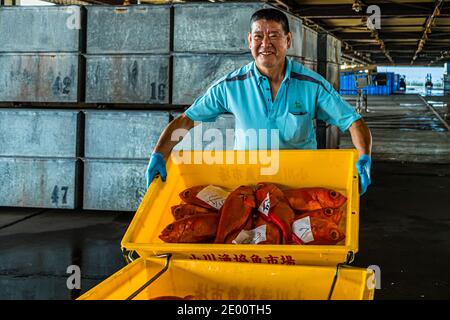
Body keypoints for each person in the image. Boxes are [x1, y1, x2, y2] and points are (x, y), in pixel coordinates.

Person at [146, 8, 372, 195]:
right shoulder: (230, 86)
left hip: (299, 188)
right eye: (258, 36)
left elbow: (353, 122)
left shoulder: (312, 85)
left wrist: (364, 157)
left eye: (274, 35)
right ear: (249, 40)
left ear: (288, 40)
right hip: (247, 187)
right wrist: (159, 154)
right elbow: (187, 120)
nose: (266, 43)